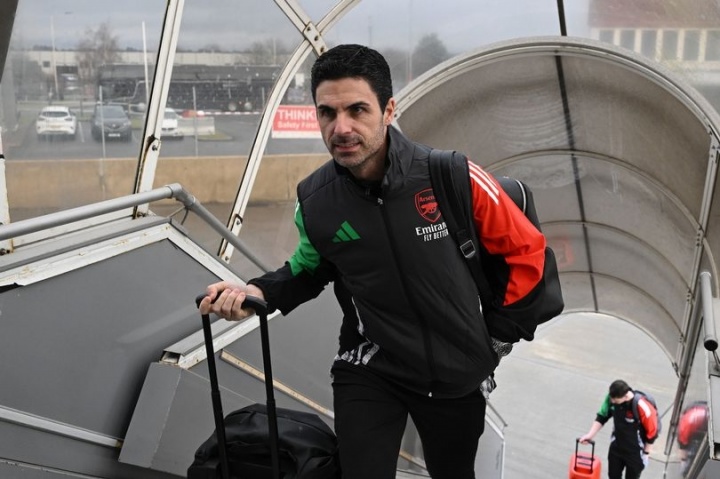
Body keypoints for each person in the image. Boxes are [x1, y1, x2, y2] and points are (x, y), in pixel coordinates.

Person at [200, 44, 551, 479]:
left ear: (388, 110)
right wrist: (254, 292)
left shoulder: (452, 176)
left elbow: (527, 254)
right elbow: (308, 269)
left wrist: (496, 339)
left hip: (456, 375)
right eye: (327, 113)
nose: (341, 128)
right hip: (370, 367)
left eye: (357, 110)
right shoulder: (316, 201)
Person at [579, 379, 659, 479]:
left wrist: (646, 454)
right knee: (613, 476)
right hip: (617, 447)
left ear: (625, 397)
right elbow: (602, 416)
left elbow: (652, 432)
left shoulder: (642, 406)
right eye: (611, 399)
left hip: (635, 452)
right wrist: (590, 435)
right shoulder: (611, 398)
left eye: (616, 401)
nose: (612, 402)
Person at [677, 401, 708, 476]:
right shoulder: (692, 417)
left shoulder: (689, 419)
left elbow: (683, 442)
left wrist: (683, 458)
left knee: (688, 465)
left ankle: (687, 473)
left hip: (698, 432)